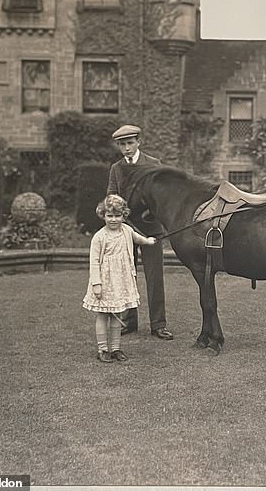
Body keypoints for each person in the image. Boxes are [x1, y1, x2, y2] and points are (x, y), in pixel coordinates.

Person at [107, 124, 174, 340]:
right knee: (128, 276)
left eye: (129, 143)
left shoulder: (154, 165)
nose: (126, 148)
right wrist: (118, 215)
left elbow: (162, 198)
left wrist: (152, 215)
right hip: (126, 230)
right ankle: (129, 322)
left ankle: (158, 324)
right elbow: (112, 196)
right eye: (122, 145)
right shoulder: (116, 169)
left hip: (151, 229)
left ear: (138, 142)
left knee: (155, 277)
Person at [82, 195, 157, 363]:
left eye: (118, 216)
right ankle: (102, 349)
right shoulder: (99, 237)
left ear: (124, 215)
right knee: (103, 314)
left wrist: (149, 241)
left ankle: (115, 348)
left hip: (121, 280)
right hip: (105, 281)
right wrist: (96, 284)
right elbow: (94, 262)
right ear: (103, 215)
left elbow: (138, 238)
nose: (114, 219)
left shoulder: (127, 231)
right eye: (110, 216)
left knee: (117, 315)